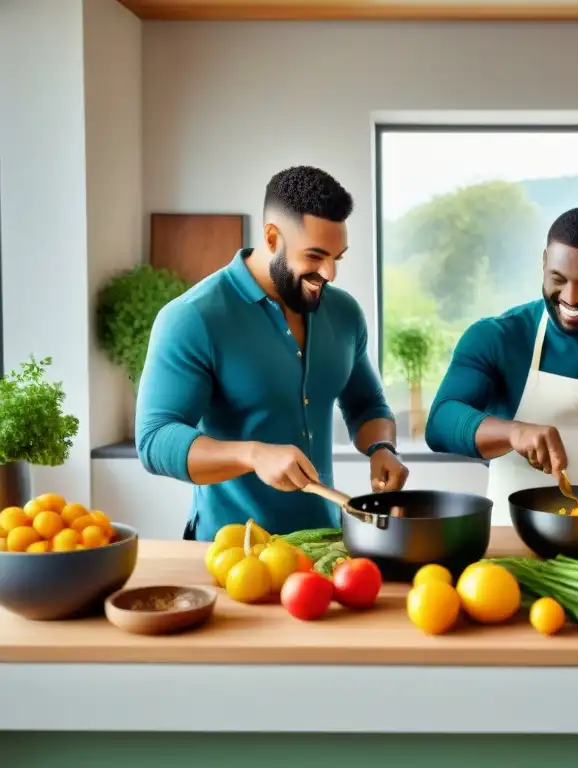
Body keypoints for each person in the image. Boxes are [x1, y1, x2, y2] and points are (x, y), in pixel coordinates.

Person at [135, 165, 409, 541]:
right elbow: (154, 440)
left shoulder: (344, 314)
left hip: (325, 543)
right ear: (271, 237)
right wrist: (252, 455)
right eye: (314, 256)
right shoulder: (192, 318)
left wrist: (382, 448)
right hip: (232, 550)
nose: (329, 273)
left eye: (337, 257)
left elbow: (367, 403)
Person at [424, 207, 578, 510]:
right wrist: (514, 432)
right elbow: (440, 422)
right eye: (558, 278)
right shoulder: (497, 338)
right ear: (544, 262)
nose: (572, 296)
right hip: (510, 535)